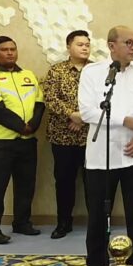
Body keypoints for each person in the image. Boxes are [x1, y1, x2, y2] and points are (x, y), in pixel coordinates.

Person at [79, 26, 133, 266]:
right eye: (128, 42)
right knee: (97, 215)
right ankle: (96, 264)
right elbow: (87, 112)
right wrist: (124, 120)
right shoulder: (93, 72)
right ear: (111, 45)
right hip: (101, 157)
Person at [0, 36, 45, 244]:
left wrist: (32, 126)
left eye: (13, 49)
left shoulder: (28, 75)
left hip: (27, 141)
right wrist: (21, 127)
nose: (9, 53)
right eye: (4, 49)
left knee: (26, 185)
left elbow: (40, 103)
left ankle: (22, 223)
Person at [42, 30, 92, 240]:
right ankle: (64, 222)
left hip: (91, 137)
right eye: (80, 44)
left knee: (93, 183)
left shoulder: (97, 71)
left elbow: (105, 99)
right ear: (68, 47)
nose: (85, 48)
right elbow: (50, 98)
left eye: (87, 44)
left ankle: (96, 223)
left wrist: (83, 118)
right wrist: (72, 115)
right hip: (62, 137)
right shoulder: (56, 71)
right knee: (64, 182)